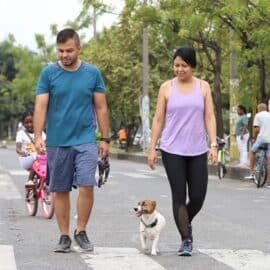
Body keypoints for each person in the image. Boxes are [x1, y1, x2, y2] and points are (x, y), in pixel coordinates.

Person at [34, 28, 110, 253]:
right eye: (60, 51)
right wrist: (38, 135)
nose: (64, 55)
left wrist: (105, 138)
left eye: (69, 50)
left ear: (79, 48)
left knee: (88, 184)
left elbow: (101, 106)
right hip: (57, 140)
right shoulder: (48, 74)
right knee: (60, 188)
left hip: (85, 139)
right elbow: (41, 105)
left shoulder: (92, 73)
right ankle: (64, 235)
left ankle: (81, 230)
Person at [148, 46, 217, 256]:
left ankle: (184, 221)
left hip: (197, 149)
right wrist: (152, 147)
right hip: (172, 150)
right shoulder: (166, 88)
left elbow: (209, 116)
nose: (179, 69)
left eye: (184, 65)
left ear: (193, 66)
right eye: (176, 65)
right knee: (179, 196)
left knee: (198, 196)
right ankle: (186, 239)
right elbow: (158, 119)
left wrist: (213, 144)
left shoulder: (203, 87)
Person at [16, 111, 46, 187]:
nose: (29, 124)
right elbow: (18, 148)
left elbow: (46, 145)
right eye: (26, 122)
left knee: (49, 159)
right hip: (26, 159)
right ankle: (30, 180)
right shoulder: (21, 133)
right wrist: (21, 152)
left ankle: (43, 183)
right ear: (23, 123)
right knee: (36, 157)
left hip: (39, 158)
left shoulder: (41, 133)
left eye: (31, 122)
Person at [245, 103, 270, 187]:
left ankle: (251, 172)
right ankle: (269, 182)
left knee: (252, 152)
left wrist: (254, 138)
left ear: (259, 109)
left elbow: (256, 129)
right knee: (269, 161)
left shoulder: (258, 115)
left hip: (262, 139)